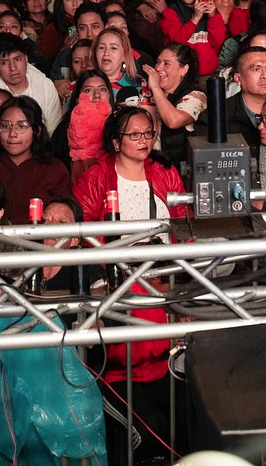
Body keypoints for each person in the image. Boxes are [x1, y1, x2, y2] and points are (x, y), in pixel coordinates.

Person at [70, 105, 187, 466]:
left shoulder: (166, 172)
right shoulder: (94, 179)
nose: (143, 141)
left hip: (161, 284)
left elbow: (184, 225)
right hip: (117, 290)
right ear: (116, 140)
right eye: (134, 135)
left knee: (182, 425)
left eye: (148, 133)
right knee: (148, 430)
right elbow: (81, 237)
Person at [0, 95, 71, 220]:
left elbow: (65, 216)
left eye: (21, 126)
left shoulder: (54, 170)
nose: (12, 134)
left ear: (37, 130)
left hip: (37, 239)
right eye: (6, 126)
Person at [0, 32, 66, 134]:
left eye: (17, 59)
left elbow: (54, 132)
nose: (13, 68)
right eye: (4, 62)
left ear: (26, 59)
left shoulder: (46, 86)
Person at [141, 42, 206, 169]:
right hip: (145, 164)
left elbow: (174, 121)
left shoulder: (197, 95)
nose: (159, 68)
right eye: (158, 62)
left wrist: (155, 87)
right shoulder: (147, 92)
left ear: (184, 70)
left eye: (166, 64)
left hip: (175, 168)